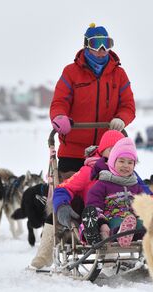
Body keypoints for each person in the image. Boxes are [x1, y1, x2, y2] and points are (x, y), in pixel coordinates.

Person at [30, 130, 152, 269]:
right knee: (56, 216)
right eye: (112, 149)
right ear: (103, 150)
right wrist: (62, 205)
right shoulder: (90, 170)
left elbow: (146, 193)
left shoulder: (129, 172)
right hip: (93, 214)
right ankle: (43, 256)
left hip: (123, 213)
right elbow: (64, 188)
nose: (117, 152)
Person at [50, 23, 136, 179]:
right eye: (96, 44)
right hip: (73, 151)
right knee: (72, 193)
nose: (102, 50)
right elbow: (59, 102)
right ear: (86, 45)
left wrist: (121, 119)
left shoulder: (119, 74)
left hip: (107, 151)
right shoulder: (71, 72)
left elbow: (128, 106)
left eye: (106, 44)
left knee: (107, 195)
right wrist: (59, 117)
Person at [82, 137, 146, 246]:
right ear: (112, 161)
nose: (126, 166)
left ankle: (151, 237)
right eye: (121, 161)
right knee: (119, 224)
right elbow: (94, 205)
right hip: (111, 219)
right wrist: (102, 224)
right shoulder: (102, 184)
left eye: (130, 162)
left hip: (132, 221)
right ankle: (110, 235)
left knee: (144, 225)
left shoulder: (136, 186)